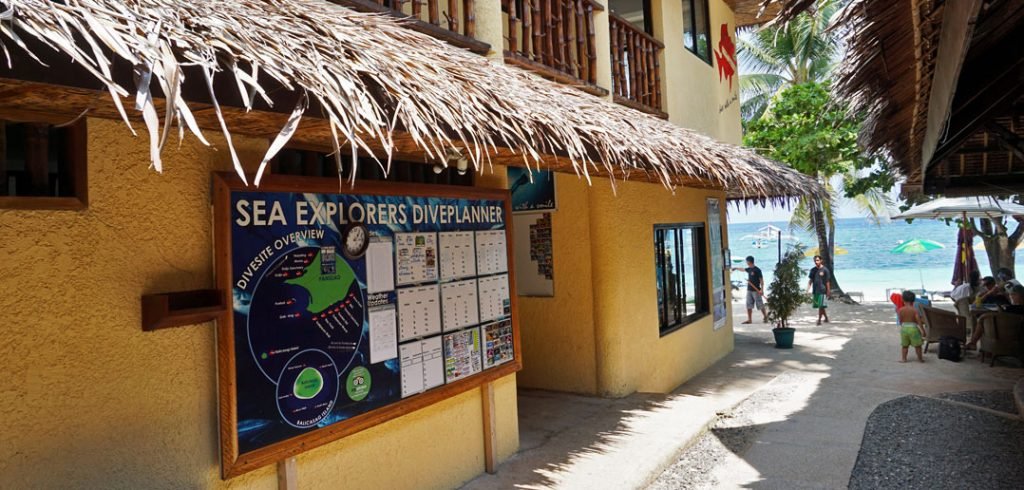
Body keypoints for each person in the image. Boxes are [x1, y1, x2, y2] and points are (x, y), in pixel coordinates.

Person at [967, 284, 1024, 350]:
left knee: (983, 321)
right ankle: (974, 344)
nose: (1011, 296)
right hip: (1015, 334)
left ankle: (974, 343)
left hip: (1004, 334)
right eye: (1011, 294)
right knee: (984, 320)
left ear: (1021, 295)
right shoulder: (1012, 307)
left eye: (1014, 294)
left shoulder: (1011, 308)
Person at [732, 256, 766, 324]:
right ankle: (749, 319)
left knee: (760, 305)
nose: (746, 263)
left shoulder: (757, 270)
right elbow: (743, 269)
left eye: (747, 261)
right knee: (748, 305)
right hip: (749, 290)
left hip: (756, 290)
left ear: (749, 262)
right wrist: (736, 268)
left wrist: (762, 290)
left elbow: (761, 280)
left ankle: (765, 316)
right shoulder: (749, 269)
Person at [897, 290, 926, 363]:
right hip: (913, 329)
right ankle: (920, 359)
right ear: (913, 300)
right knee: (918, 346)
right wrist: (922, 330)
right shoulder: (914, 310)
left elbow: (900, 320)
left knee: (904, 346)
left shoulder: (900, 310)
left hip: (904, 329)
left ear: (903, 299)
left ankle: (904, 359)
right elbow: (918, 321)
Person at [807, 255, 831, 325]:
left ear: (821, 260)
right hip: (815, 290)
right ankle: (826, 318)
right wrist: (807, 289)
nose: (816, 262)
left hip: (823, 290)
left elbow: (827, 281)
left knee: (821, 306)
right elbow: (810, 280)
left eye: (817, 260)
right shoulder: (813, 270)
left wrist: (828, 291)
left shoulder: (825, 270)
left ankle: (819, 320)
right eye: (815, 261)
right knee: (821, 306)